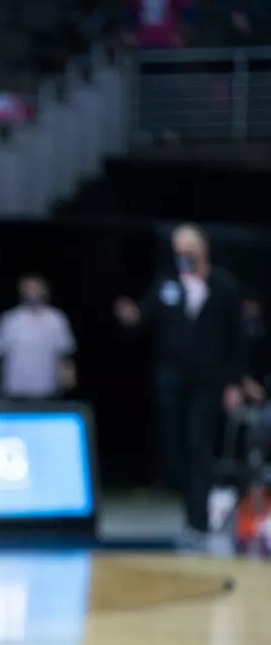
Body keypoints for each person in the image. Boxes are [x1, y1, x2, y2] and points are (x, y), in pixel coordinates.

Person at [114, 223, 246, 543]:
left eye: (188, 248)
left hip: (208, 382)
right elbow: (142, 321)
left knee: (198, 444)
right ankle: (191, 511)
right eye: (177, 249)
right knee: (176, 450)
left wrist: (235, 383)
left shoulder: (223, 285)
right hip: (172, 381)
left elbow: (237, 338)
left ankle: (199, 521)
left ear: (203, 248)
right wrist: (130, 316)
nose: (182, 255)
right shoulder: (166, 284)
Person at [0, 275, 77, 400]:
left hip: (47, 387)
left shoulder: (56, 318)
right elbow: (0, 353)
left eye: (36, 288)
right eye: (28, 288)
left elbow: (65, 351)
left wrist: (68, 374)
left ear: (45, 291)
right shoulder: (10, 319)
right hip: (15, 388)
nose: (32, 292)